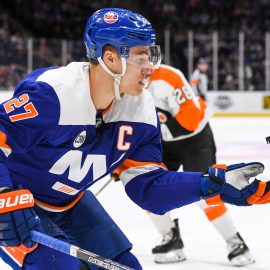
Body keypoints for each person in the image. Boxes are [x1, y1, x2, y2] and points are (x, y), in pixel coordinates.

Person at [0, 7, 268, 270]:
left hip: (70, 203)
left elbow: (149, 188)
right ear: (110, 58)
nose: (150, 67)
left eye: (152, 56)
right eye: (141, 57)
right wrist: (4, 194)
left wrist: (210, 184)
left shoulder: (141, 110)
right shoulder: (54, 93)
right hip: (17, 203)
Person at [146, 64, 254, 266]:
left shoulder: (168, 77)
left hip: (195, 140)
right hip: (162, 144)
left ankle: (235, 242)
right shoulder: (120, 84)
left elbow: (191, 118)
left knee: (206, 192)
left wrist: (151, 133)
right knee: (146, 188)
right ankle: (170, 238)